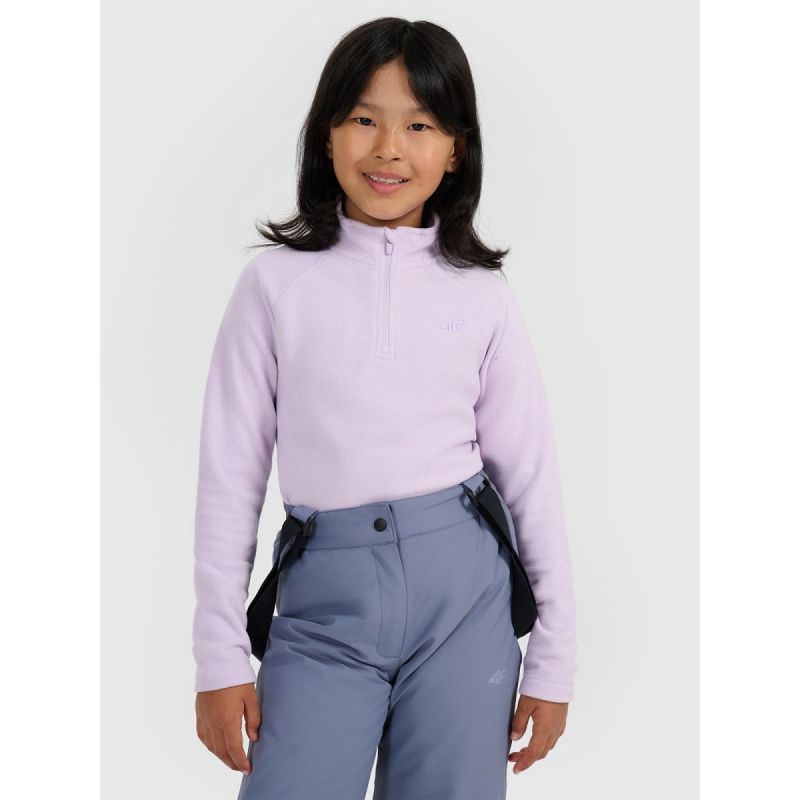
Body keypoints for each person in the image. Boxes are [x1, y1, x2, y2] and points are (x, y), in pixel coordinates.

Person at [192, 16, 577, 800]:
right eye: (364, 119)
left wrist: (555, 660)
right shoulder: (275, 287)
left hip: (466, 607)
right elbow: (229, 478)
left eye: (420, 125)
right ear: (326, 134)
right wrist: (219, 657)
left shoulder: (482, 297)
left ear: (456, 150)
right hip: (324, 608)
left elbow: (530, 477)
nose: (389, 148)